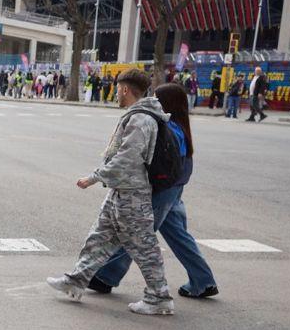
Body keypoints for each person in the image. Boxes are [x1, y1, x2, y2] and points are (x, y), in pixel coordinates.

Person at [47, 68, 174, 315]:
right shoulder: (139, 115)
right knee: (98, 239)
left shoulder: (142, 119)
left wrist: (93, 178)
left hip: (132, 196)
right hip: (120, 192)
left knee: (144, 248)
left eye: (117, 89)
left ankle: (159, 298)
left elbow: (127, 159)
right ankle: (76, 280)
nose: (115, 93)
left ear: (125, 89)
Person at [87, 83, 218, 300]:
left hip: (164, 189)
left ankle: (106, 277)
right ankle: (202, 281)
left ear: (167, 103)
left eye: (157, 98)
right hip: (175, 187)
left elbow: (154, 162)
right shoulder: (178, 126)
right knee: (178, 235)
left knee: (137, 233)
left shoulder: (168, 128)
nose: (152, 101)